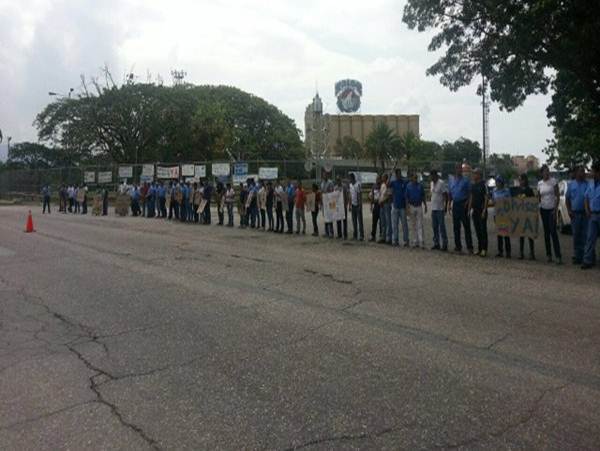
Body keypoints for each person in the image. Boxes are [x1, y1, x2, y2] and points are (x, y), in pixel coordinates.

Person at [538, 165, 562, 264]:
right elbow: (539, 197)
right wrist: (539, 206)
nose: (546, 173)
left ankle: (558, 256)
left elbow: (557, 195)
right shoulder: (539, 183)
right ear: (542, 173)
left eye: (548, 171)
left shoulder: (553, 181)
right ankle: (549, 255)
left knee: (553, 232)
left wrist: (555, 209)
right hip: (543, 210)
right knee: (546, 233)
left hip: (552, 210)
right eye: (545, 171)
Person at [510, 174, 536, 260]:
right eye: (519, 180)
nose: (520, 181)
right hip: (520, 215)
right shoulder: (517, 190)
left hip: (528, 215)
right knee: (521, 235)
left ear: (525, 180)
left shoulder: (529, 190)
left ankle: (532, 253)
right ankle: (521, 253)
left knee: (529, 234)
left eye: (521, 180)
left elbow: (533, 202)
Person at [566, 166, 589, 265]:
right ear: (576, 173)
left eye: (584, 171)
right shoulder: (571, 185)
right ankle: (576, 256)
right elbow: (567, 199)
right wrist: (569, 211)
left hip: (585, 214)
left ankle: (585, 256)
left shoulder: (587, 185)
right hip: (575, 214)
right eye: (581, 171)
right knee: (576, 235)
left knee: (585, 235)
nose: (583, 173)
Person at [449, 164, 473, 254]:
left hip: (463, 204)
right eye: (457, 168)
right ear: (455, 170)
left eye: (460, 169)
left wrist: (468, 205)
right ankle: (458, 246)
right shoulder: (452, 180)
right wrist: (449, 204)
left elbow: (470, 194)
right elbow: (450, 193)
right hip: (455, 204)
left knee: (466, 226)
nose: (458, 170)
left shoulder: (466, 181)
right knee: (456, 226)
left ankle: (470, 247)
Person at [582, 160, 600, 269]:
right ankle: (587, 260)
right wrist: (587, 210)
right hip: (593, 215)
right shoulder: (591, 183)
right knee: (590, 238)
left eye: (593, 171)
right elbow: (586, 197)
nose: (591, 173)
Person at [469, 169, 488, 257]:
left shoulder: (483, 185)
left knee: (483, 230)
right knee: (477, 230)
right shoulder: (473, 185)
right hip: (475, 210)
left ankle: (484, 248)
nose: (473, 175)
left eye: (475, 173)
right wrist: (469, 209)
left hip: (481, 209)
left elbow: (486, 198)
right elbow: (471, 197)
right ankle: (480, 248)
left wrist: (484, 210)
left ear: (479, 175)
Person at [406, 173, 427, 248]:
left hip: (419, 206)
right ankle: (415, 240)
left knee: (420, 224)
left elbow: (423, 195)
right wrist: (407, 207)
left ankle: (421, 240)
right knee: (413, 224)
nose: (415, 179)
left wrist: (425, 205)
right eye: (414, 177)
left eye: (416, 178)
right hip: (412, 206)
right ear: (411, 178)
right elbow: (407, 197)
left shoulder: (420, 186)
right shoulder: (408, 186)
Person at [493, 177, 511, 258]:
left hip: (504, 213)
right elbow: (493, 200)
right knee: (499, 233)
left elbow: (510, 202)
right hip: (497, 213)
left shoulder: (507, 191)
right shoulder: (494, 191)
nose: (497, 183)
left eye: (499, 182)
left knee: (506, 232)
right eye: (496, 182)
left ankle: (508, 251)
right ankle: (500, 251)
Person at [430, 170, 448, 251]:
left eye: (433, 176)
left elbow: (445, 195)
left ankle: (444, 243)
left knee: (442, 227)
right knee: (434, 227)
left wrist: (445, 207)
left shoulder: (441, 183)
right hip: (433, 208)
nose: (432, 178)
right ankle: (436, 243)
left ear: (436, 176)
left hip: (440, 208)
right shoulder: (431, 183)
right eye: (431, 176)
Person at [390, 169, 409, 247]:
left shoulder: (404, 182)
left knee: (404, 224)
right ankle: (395, 239)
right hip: (395, 206)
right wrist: (390, 175)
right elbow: (387, 183)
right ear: (395, 175)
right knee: (395, 224)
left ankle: (406, 240)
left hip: (402, 207)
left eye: (400, 174)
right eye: (397, 174)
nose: (399, 175)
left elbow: (409, 179)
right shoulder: (393, 183)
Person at [348, 173, 364, 241]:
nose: (349, 180)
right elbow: (350, 196)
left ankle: (361, 235)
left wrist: (360, 205)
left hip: (358, 206)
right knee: (354, 221)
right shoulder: (350, 185)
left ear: (353, 178)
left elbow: (359, 195)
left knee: (360, 221)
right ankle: (355, 235)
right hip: (353, 205)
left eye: (350, 178)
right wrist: (349, 205)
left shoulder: (358, 185)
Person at [378, 173, 392, 244]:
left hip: (386, 204)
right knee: (383, 222)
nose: (382, 178)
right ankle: (383, 237)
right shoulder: (382, 185)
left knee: (388, 222)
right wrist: (379, 201)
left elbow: (389, 196)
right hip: (381, 205)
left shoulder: (388, 185)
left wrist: (382, 201)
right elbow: (381, 194)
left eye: (383, 177)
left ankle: (388, 238)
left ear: (386, 178)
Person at [320, 173, 335, 238]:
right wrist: (321, 202)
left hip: (329, 202)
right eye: (323, 175)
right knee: (325, 217)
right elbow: (321, 192)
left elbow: (332, 192)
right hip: (324, 203)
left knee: (330, 217)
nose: (324, 176)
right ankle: (326, 232)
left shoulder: (330, 183)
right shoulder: (322, 183)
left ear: (327, 176)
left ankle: (331, 233)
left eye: (325, 175)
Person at [369, 175, 381, 242]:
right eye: (377, 179)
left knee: (381, 222)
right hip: (375, 205)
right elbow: (372, 196)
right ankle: (373, 235)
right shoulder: (374, 186)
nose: (378, 180)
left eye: (379, 179)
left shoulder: (382, 186)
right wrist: (371, 205)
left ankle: (381, 235)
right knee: (374, 222)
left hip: (381, 205)